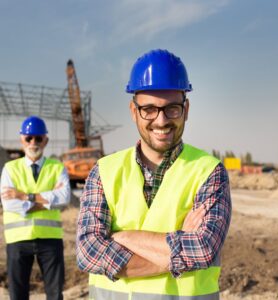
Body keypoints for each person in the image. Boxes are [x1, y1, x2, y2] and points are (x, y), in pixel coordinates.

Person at [76, 49, 231, 299]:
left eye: (172, 109)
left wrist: (121, 237)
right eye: (149, 109)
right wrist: (179, 247)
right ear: (133, 110)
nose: (161, 121)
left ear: (186, 109)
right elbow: (88, 253)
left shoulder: (209, 171)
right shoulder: (103, 171)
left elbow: (203, 250)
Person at [0, 116, 71, 300]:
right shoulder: (10, 168)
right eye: (29, 138)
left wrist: (24, 196)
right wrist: (47, 200)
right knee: (18, 295)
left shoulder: (57, 167)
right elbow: (9, 204)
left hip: (50, 239)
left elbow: (64, 198)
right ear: (21, 139)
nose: (33, 142)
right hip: (18, 240)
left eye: (38, 138)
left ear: (45, 140)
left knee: (55, 294)